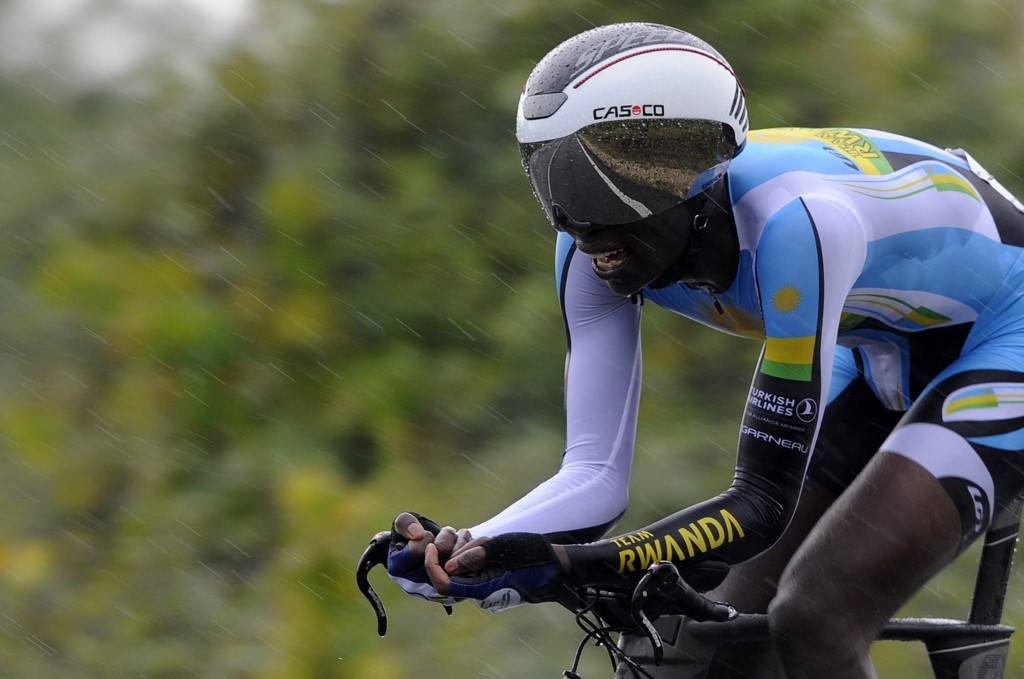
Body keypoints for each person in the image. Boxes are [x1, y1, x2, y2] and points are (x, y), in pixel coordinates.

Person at [381, 21, 1024, 679]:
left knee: (816, 614)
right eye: (553, 181)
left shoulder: (796, 224)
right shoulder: (590, 247)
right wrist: (473, 548)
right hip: (881, 337)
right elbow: (594, 479)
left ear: (684, 174)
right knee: (711, 640)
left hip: (1009, 334)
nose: (578, 223)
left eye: (597, 185)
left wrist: (573, 561)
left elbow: (760, 504)